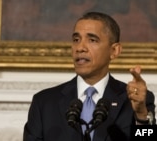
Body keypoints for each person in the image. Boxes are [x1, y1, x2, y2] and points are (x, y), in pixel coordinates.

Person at [23, 11, 156, 141]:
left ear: (114, 51)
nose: (80, 47)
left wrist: (141, 116)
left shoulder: (136, 101)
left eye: (92, 40)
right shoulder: (44, 103)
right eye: (76, 39)